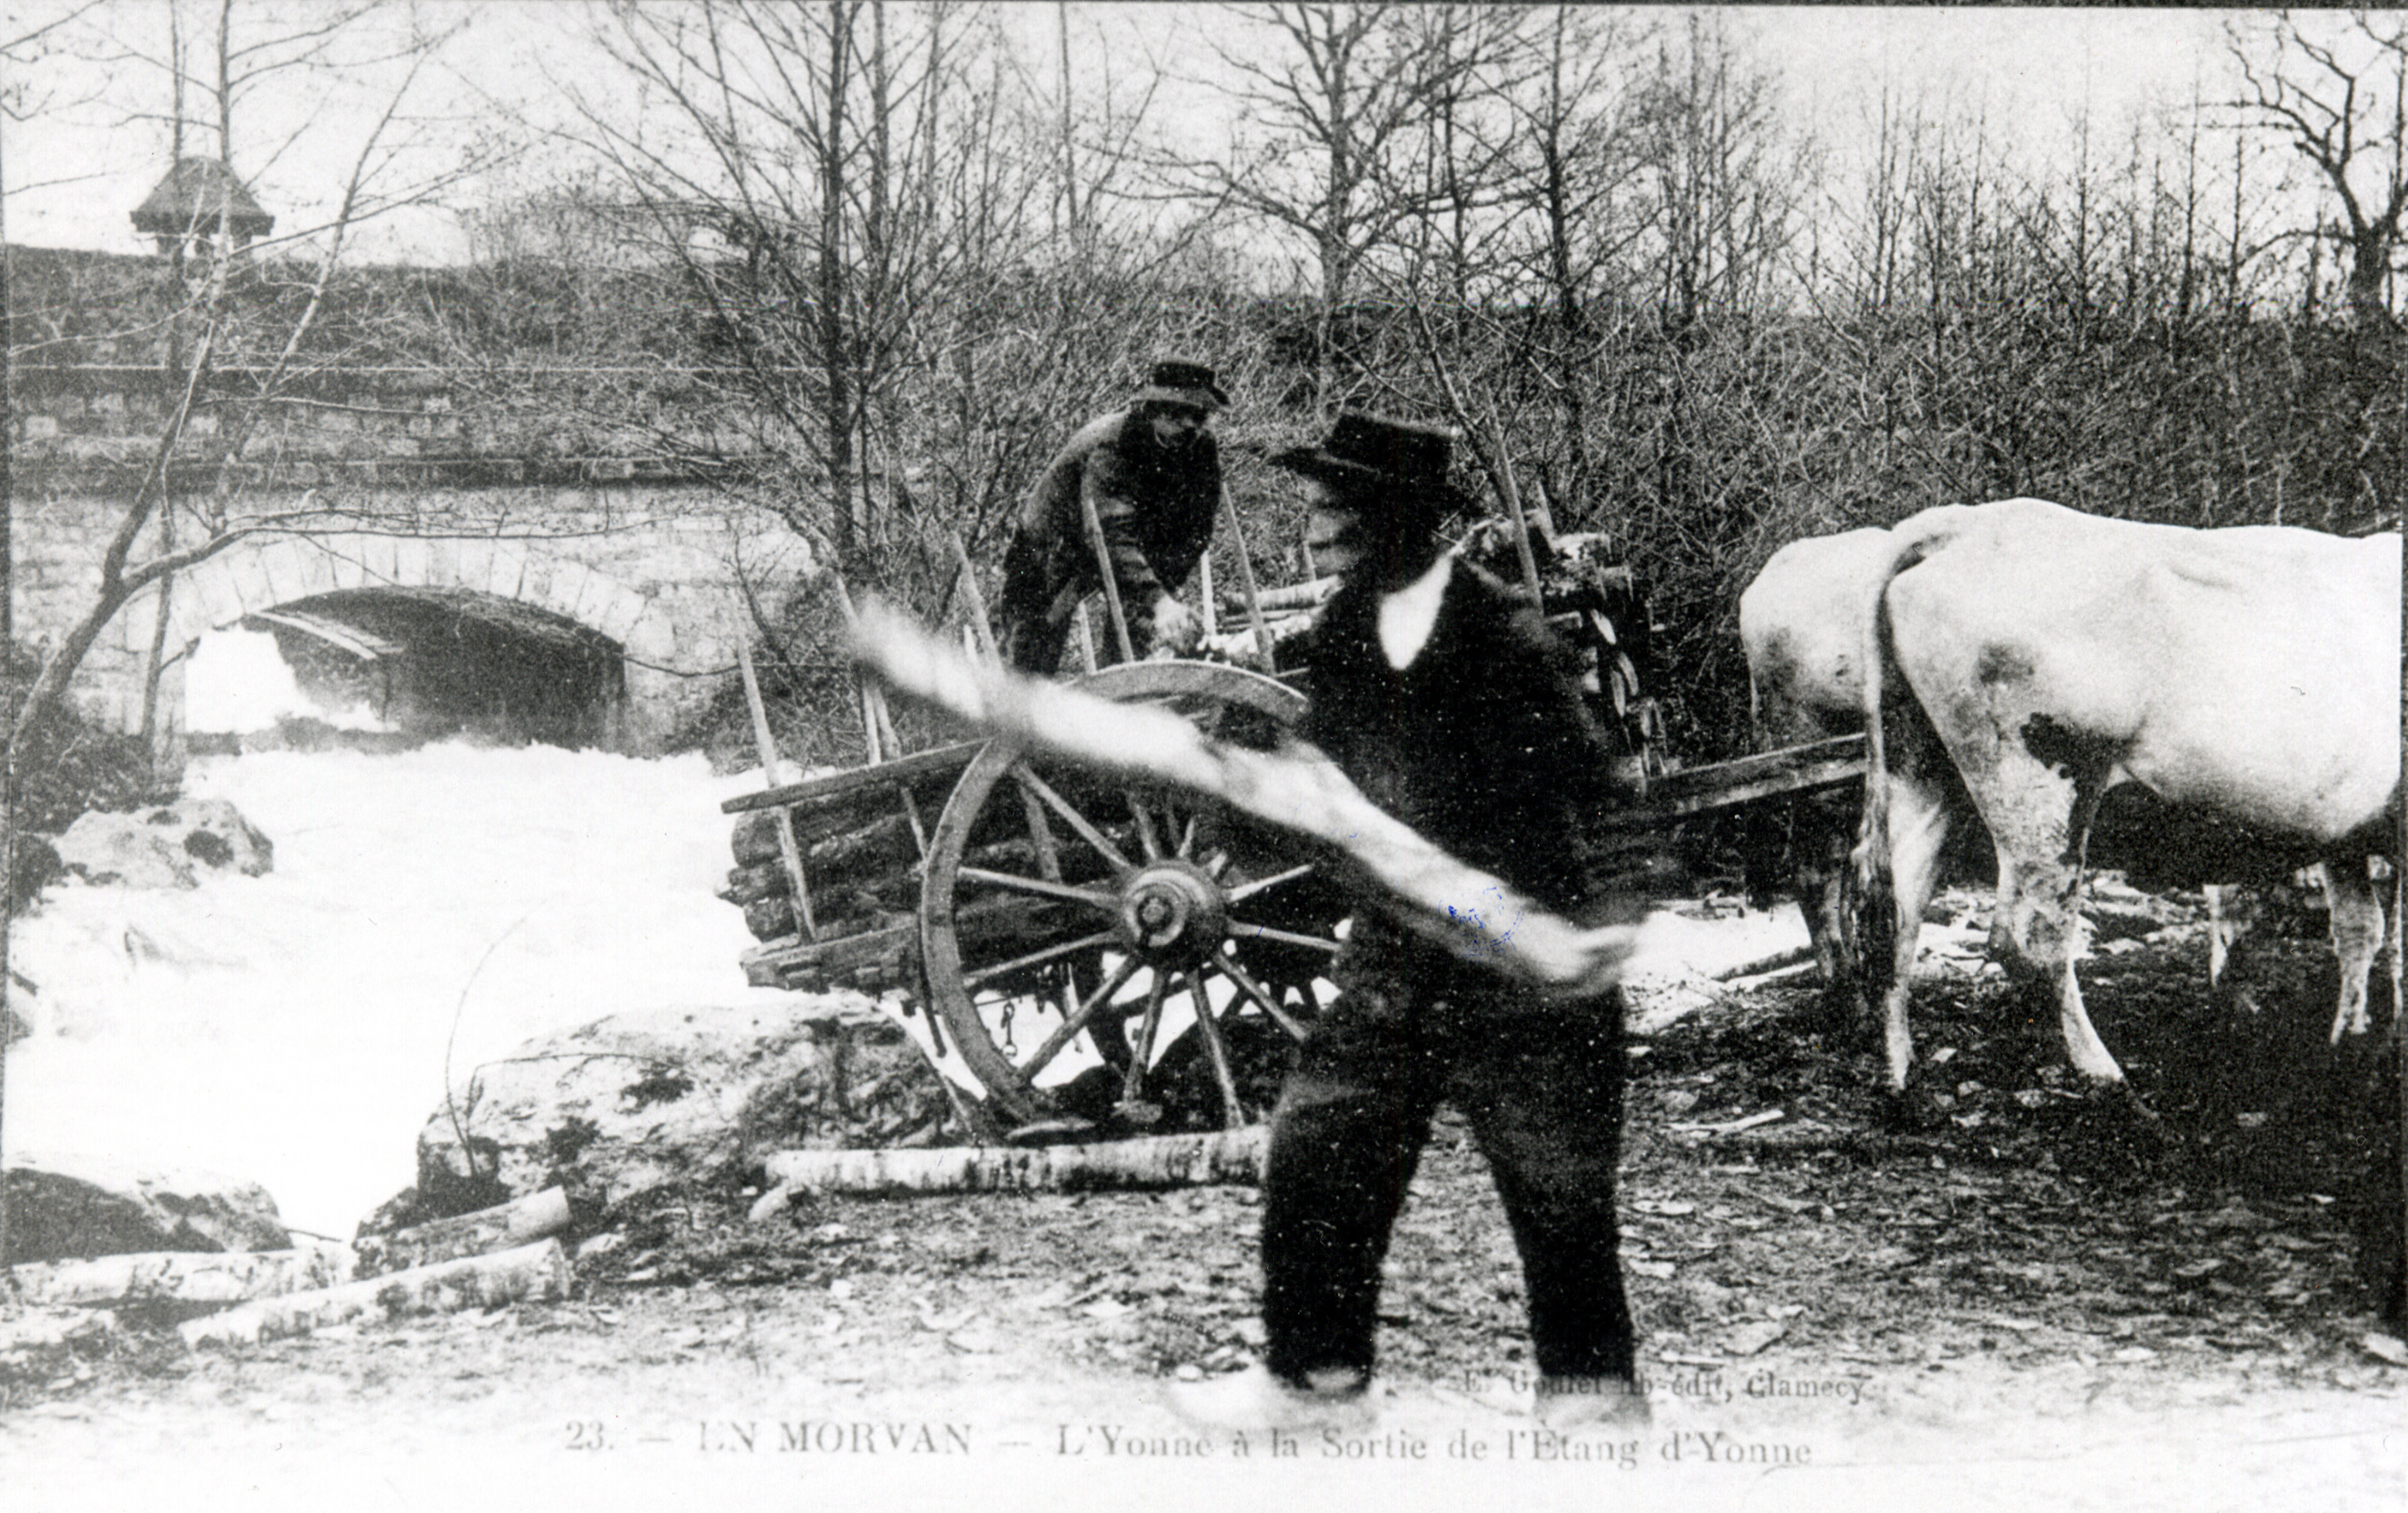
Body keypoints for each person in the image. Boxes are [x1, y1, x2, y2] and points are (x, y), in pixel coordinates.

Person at [1170, 412, 1647, 1433]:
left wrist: (1607, 924)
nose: (1314, 528)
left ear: (1401, 519)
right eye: (1312, 508)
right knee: (1319, 1149)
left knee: (1557, 1199)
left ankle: (1594, 1411)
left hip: (1525, 965)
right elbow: (1319, 811)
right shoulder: (1341, 634)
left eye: (1335, 509)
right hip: (1395, 955)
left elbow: (1598, 789)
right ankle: (1317, 1383)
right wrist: (1237, 777)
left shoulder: (1502, 633)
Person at [995, 359, 1230, 675]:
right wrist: (1158, 601)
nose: (1186, 427)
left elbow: (1196, 528)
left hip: (1130, 545)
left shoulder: (1201, 446)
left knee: (1132, 649)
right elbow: (1108, 531)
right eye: (1175, 414)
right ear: (1152, 409)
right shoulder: (1113, 445)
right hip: (1054, 542)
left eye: (1198, 416)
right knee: (1032, 651)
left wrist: (1162, 595)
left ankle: (1114, 702)